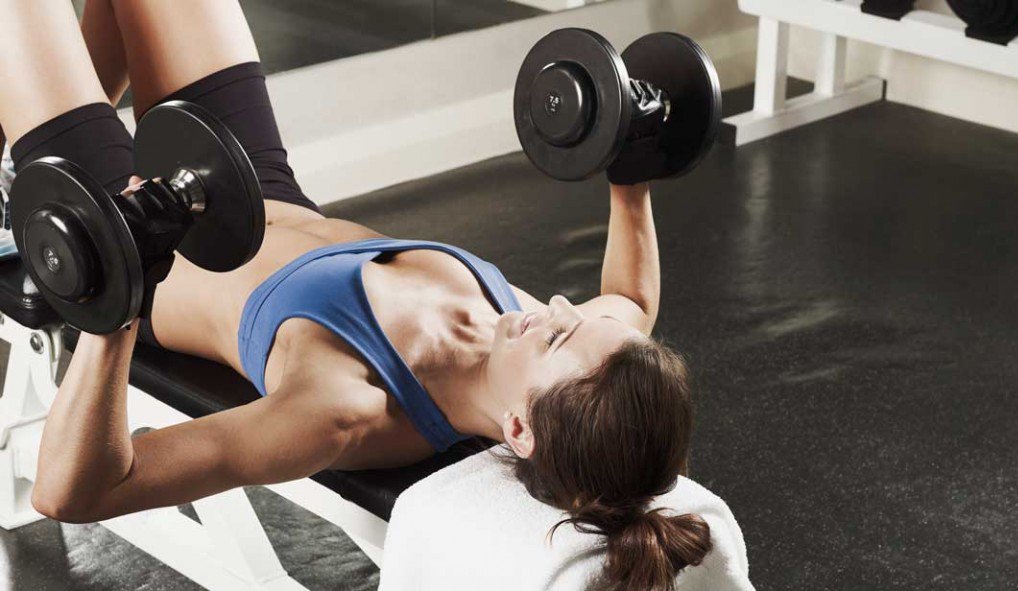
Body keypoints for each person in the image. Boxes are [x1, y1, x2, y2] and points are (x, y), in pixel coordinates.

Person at [0, 1, 710, 588]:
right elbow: (628, 300)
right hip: (252, 185)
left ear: (519, 429)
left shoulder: (346, 407)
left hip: (142, 243)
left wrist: (114, 304)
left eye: (558, 334)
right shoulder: (529, 336)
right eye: (570, 319)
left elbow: (69, 492)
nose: (559, 306)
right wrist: (629, 173)